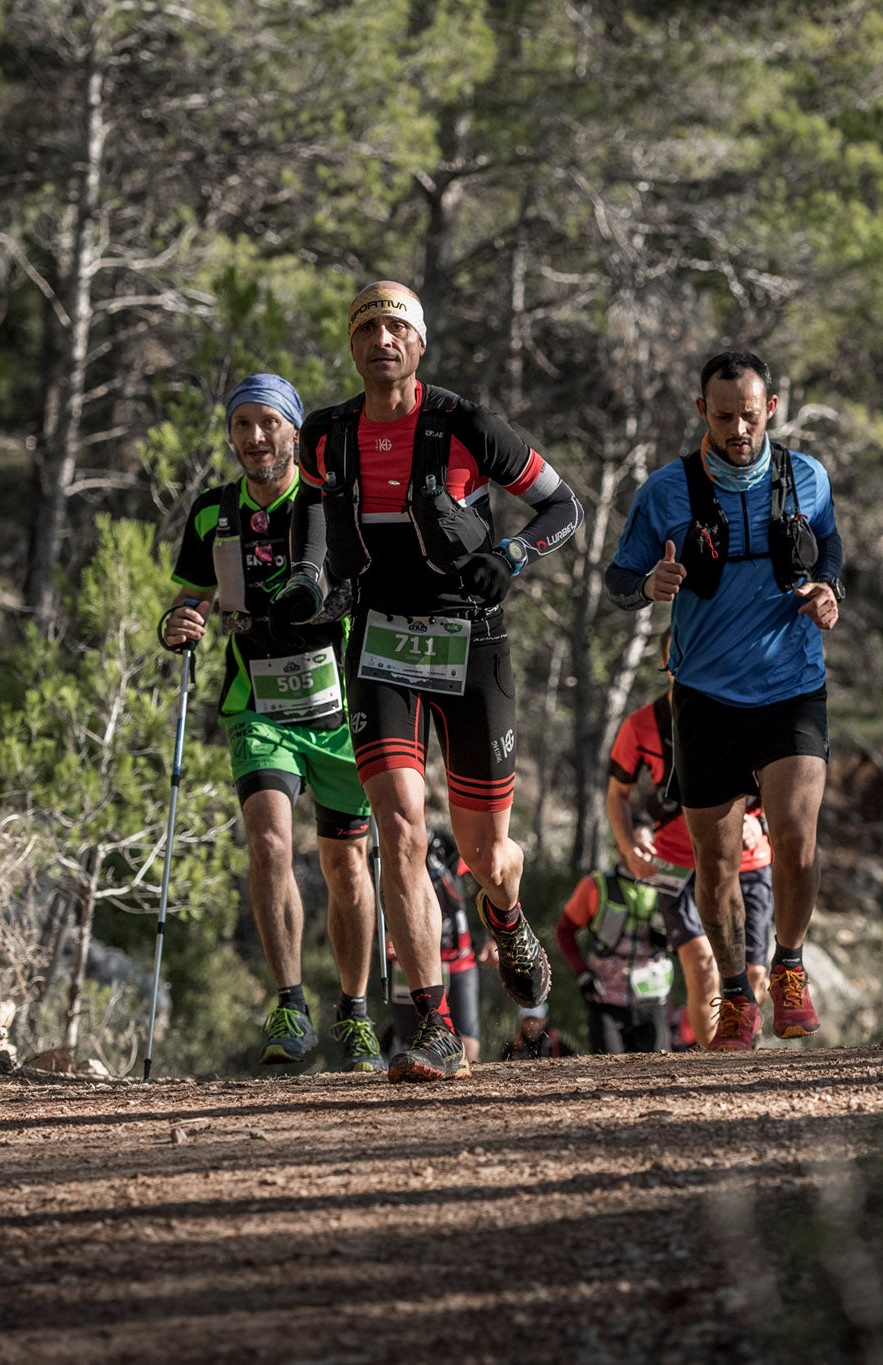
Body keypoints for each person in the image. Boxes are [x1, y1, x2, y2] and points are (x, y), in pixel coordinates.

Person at [279, 281, 583, 1082]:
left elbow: (563, 506)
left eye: (397, 327)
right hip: (379, 644)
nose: (383, 339)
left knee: (486, 851)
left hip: (471, 644)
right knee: (402, 831)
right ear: (353, 345)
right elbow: (311, 512)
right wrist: (311, 575)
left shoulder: (464, 425)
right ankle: (433, 1023)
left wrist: (510, 554)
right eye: (368, 327)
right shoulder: (327, 436)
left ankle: (506, 913)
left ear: (419, 345)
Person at [604, 350, 844, 1051]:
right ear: (701, 412)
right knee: (715, 863)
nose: (738, 427)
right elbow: (620, 577)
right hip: (703, 694)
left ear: (772, 407)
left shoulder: (807, 477)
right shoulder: (666, 491)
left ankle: (789, 967)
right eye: (724, 414)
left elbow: (827, 542)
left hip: (791, 686)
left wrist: (827, 588)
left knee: (797, 839)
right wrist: (649, 584)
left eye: (749, 412)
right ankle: (737, 995)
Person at [160, 373, 382, 1072]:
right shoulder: (212, 513)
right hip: (257, 707)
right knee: (269, 844)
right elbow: (190, 598)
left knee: (346, 866)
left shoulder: (326, 504)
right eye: (243, 425)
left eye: (269, 424)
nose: (255, 439)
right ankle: (289, 1002)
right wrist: (179, 622)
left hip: (338, 711)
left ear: (294, 430)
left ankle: (354, 1012)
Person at [605, 633, 776, 1048]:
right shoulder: (641, 725)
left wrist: (761, 822)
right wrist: (629, 846)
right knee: (702, 968)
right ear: (666, 665)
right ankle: (713, 1066)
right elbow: (616, 796)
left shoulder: (745, 709)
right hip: (679, 867)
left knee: (754, 973)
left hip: (747, 863)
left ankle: (742, 1059)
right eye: (676, 662)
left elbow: (787, 780)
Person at [383, 829, 486, 1061]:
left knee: (468, 1046)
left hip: (458, 960)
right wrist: (383, 934)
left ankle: (471, 1096)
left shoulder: (445, 847)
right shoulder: (388, 846)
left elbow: (485, 877)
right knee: (414, 1046)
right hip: (407, 964)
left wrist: (494, 934)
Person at [554, 866, 674, 1054]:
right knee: (607, 1069)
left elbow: (693, 931)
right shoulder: (595, 886)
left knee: (658, 1068)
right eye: (633, 842)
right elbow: (564, 931)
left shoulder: (668, 884)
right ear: (618, 845)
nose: (643, 851)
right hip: (605, 997)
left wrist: (672, 938)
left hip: (653, 994)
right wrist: (582, 972)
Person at [502, 1004, 575, 1061]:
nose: (531, 1025)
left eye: (535, 1020)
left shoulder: (558, 1046)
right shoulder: (514, 1048)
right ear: (522, 1022)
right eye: (527, 1020)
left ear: (544, 1020)